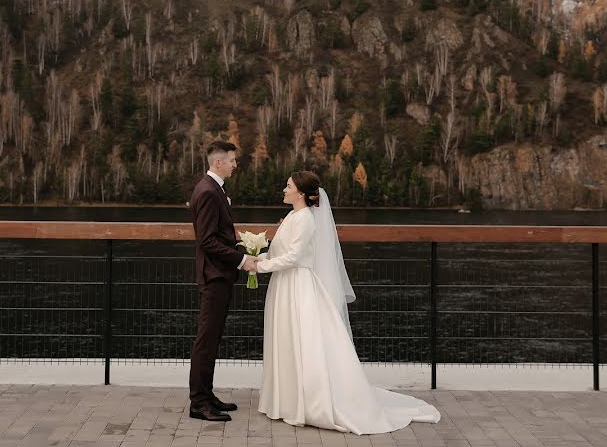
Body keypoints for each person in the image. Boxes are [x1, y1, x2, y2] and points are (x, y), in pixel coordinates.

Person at [255, 171, 441, 434]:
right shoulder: (292, 218)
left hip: (298, 285)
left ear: (301, 193)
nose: (283, 189)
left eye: (288, 186)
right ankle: (286, 401)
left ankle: (308, 402)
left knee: (303, 341)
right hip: (284, 285)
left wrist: (261, 267)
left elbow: (295, 257)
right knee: (286, 340)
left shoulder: (306, 219)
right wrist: (258, 256)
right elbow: (279, 252)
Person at [188, 140, 259, 421]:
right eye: (231, 160)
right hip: (214, 274)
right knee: (206, 340)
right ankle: (199, 403)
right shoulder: (207, 191)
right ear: (218, 162)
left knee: (213, 337)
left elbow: (218, 233)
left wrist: (241, 240)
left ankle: (207, 395)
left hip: (220, 273)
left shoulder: (215, 188)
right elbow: (206, 241)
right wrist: (241, 260)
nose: (235, 164)